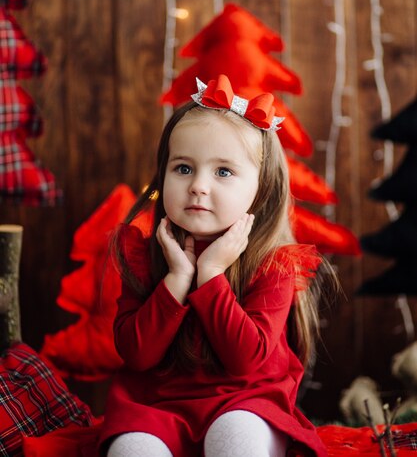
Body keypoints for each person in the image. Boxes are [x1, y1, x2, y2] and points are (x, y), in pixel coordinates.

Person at [100, 74, 330, 457]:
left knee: (236, 439)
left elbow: (245, 362)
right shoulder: (145, 253)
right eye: (184, 168)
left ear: (261, 188)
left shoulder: (274, 265)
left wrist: (210, 276)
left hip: (244, 401)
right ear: (163, 174)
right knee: (131, 450)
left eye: (223, 171)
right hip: (156, 406)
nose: (198, 186)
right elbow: (136, 355)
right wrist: (177, 279)